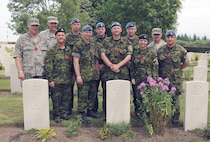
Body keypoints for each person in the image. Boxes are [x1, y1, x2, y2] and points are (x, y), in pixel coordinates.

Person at [100, 22, 133, 120]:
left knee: (123, 94)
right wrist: (111, 65)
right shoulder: (106, 41)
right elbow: (102, 54)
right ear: (111, 30)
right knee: (107, 94)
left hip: (122, 72)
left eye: (118, 28)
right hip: (108, 72)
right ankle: (107, 115)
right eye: (114, 28)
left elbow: (129, 56)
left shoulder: (127, 42)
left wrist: (118, 65)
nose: (116, 30)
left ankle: (123, 115)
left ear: (121, 30)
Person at [157, 29, 189, 125]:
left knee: (175, 99)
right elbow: (157, 64)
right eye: (168, 37)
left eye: (172, 37)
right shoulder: (161, 50)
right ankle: (162, 117)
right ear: (165, 38)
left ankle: (175, 118)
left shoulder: (181, 50)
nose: (170, 39)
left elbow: (186, 62)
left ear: (175, 38)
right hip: (163, 79)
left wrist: (178, 69)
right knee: (162, 99)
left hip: (175, 79)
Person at [72, 25, 101, 125]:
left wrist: (97, 72)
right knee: (83, 95)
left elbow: (96, 59)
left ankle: (90, 110)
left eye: (90, 32)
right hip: (83, 75)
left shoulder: (94, 44)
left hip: (93, 74)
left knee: (92, 94)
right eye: (86, 32)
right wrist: (78, 76)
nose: (88, 34)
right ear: (83, 33)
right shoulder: (78, 44)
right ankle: (82, 113)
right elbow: (76, 61)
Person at [45, 28, 73, 123]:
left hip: (67, 79)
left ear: (65, 37)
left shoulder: (68, 50)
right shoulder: (52, 50)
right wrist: (50, 80)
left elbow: (72, 65)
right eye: (59, 35)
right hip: (56, 80)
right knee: (56, 99)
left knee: (66, 98)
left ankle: (64, 114)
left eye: (62, 35)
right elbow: (49, 66)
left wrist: (73, 76)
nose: (61, 37)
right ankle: (56, 115)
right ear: (56, 37)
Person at [130, 34, 158, 120]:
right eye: (141, 40)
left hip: (148, 78)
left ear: (147, 42)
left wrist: (154, 79)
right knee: (137, 96)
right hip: (137, 78)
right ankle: (138, 113)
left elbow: (155, 67)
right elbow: (132, 66)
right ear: (139, 42)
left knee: (147, 96)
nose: (143, 42)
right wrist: (132, 77)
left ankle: (147, 113)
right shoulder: (135, 52)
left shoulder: (151, 53)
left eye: (144, 41)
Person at [65, 18, 82, 114]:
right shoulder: (66, 37)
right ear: (71, 25)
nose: (76, 26)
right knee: (69, 89)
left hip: (80, 66)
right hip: (69, 66)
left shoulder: (82, 37)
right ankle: (68, 109)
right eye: (74, 24)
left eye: (77, 24)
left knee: (82, 88)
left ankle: (82, 109)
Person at [124, 22, 139, 116]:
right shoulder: (123, 40)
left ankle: (138, 110)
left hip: (137, 69)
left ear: (135, 29)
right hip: (124, 68)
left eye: (132, 29)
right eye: (129, 29)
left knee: (137, 91)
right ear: (126, 30)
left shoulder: (140, 40)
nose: (131, 30)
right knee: (124, 90)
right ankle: (124, 108)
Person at [92, 22, 107, 112]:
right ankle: (94, 109)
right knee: (94, 90)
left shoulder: (109, 40)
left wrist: (104, 64)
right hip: (94, 67)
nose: (100, 30)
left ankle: (106, 110)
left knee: (106, 90)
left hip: (106, 68)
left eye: (102, 29)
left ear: (105, 30)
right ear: (96, 30)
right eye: (99, 29)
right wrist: (97, 66)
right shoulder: (92, 41)